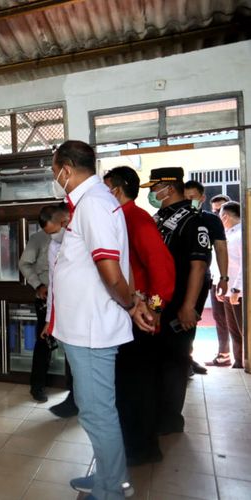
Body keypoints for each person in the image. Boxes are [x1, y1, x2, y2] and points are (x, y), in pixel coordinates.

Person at [50, 141, 150, 500]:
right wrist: (134, 300)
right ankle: (108, 476)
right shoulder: (92, 203)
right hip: (84, 326)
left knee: (97, 413)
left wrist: (129, 304)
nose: (53, 176)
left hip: (91, 329)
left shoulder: (93, 204)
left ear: (65, 168)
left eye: (53, 168)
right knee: (97, 411)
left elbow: (110, 270)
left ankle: (112, 490)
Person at [104, 166, 176, 466]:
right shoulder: (117, 219)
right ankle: (131, 443)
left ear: (117, 191)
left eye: (105, 189)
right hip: (126, 316)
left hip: (142, 316)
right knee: (127, 385)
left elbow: (162, 268)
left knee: (138, 386)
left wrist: (156, 308)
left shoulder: (136, 219)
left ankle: (142, 448)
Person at [141, 168, 211, 436]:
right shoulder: (161, 217)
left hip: (179, 303)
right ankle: (158, 412)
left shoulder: (193, 221)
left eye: (154, 188)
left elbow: (198, 267)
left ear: (168, 188)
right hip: (160, 300)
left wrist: (188, 306)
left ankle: (171, 420)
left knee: (174, 360)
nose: (152, 193)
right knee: (159, 358)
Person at [19, 203, 67, 403]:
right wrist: (38, 285)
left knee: (74, 344)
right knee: (44, 342)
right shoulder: (38, 239)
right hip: (46, 297)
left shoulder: (76, 236)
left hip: (71, 297)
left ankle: (74, 392)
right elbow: (24, 263)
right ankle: (37, 387)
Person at [183, 180, 227, 374]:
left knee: (191, 319)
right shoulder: (175, 218)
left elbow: (220, 247)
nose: (189, 201)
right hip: (175, 277)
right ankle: (181, 360)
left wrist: (224, 278)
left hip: (200, 277)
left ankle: (187, 359)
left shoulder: (210, 219)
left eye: (193, 198)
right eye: (186, 197)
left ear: (202, 198)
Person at [218, 201, 244, 368]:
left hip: (238, 291)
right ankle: (239, 361)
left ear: (225, 216)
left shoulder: (242, 234)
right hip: (229, 290)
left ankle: (244, 359)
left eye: (220, 215)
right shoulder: (228, 234)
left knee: (243, 329)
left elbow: (245, 264)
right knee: (233, 329)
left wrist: (237, 287)